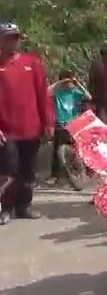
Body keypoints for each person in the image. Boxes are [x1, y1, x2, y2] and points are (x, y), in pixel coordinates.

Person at [0, 23, 53, 224]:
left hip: (31, 128)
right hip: (7, 131)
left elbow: (43, 95)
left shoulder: (32, 63)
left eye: (15, 37)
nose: (12, 41)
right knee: (8, 170)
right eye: (7, 37)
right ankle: (6, 208)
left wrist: (48, 121)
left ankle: (24, 206)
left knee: (27, 170)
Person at [46, 70, 91, 185]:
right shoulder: (57, 93)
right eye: (66, 82)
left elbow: (88, 96)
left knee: (79, 147)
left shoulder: (75, 92)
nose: (68, 84)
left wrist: (77, 83)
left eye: (69, 82)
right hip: (60, 123)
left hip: (73, 123)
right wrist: (59, 83)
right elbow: (46, 92)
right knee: (57, 149)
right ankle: (55, 175)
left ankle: (84, 170)